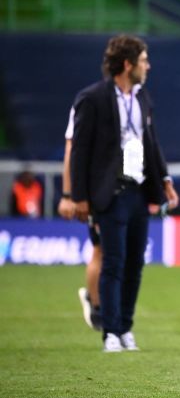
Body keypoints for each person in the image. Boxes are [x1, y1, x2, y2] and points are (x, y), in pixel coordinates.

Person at [70, 34, 179, 352]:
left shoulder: (143, 98)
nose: (148, 66)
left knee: (135, 264)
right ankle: (110, 331)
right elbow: (80, 151)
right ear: (128, 64)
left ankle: (126, 327)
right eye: (144, 60)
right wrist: (79, 196)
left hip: (138, 191)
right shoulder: (92, 98)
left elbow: (152, 143)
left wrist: (165, 180)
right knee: (113, 262)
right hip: (109, 193)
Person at [59, 107, 104, 331]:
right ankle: (96, 305)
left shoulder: (133, 101)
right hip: (96, 193)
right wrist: (71, 195)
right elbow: (72, 150)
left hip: (120, 191)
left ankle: (102, 301)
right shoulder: (88, 103)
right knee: (102, 249)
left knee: (117, 252)